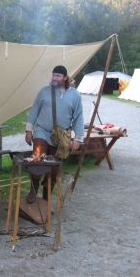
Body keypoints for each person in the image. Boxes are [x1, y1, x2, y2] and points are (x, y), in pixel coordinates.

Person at [25, 65, 84, 203]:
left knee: (54, 169)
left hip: (61, 136)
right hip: (42, 131)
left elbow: (78, 117)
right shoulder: (44, 92)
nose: (55, 78)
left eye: (58, 76)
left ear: (65, 78)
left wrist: (78, 139)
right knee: (37, 159)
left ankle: (46, 198)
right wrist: (29, 130)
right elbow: (34, 111)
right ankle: (33, 189)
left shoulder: (75, 95)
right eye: (53, 75)